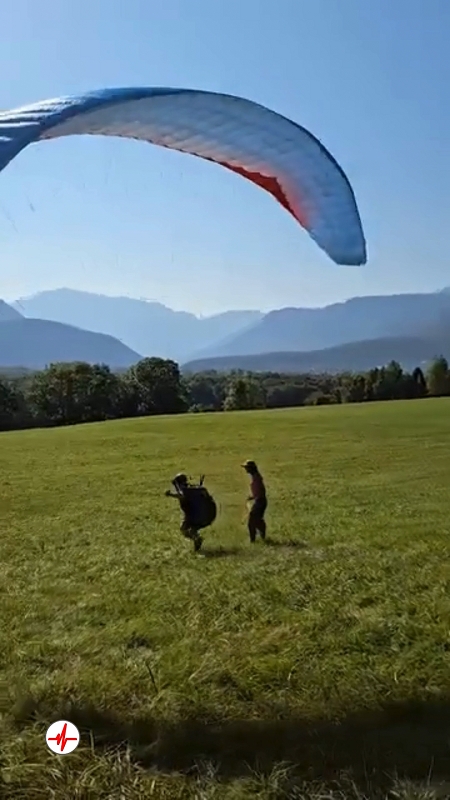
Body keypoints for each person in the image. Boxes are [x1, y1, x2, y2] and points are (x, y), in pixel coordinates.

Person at [165, 473, 216, 553]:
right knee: (192, 529)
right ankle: (196, 540)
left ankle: (197, 539)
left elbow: (182, 496)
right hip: (207, 517)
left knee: (184, 529)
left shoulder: (184, 490)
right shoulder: (194, 489)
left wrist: (170, 494)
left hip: (195, 517)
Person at [241, 459, 267, 542]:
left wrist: (257, 498)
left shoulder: (257, 478)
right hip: (260, 500)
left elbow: (261, 490)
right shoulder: (255, 477)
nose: (245, 469)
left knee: (252, 521)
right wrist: (253, 497)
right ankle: (262, 536)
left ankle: (253, 540)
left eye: (247, 468)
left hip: (260, 501)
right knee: (257, 520)